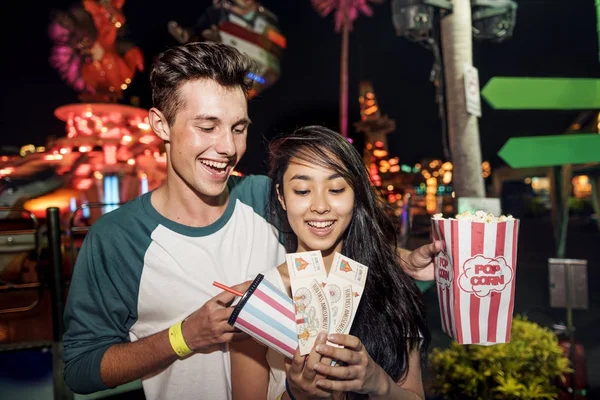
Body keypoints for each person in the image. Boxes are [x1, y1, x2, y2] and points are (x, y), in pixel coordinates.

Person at [62, 42, 439, 399]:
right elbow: (80, 369)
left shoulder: (261, 197)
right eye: (207, 127)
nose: (228, 147)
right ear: (161, 125)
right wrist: (184, 336)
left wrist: (400, 259)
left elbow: (332, 226)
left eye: (238, 128)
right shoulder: (117, 238)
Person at [230, 125, 430, 400]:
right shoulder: (261, 301)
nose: (320, 205)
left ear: (356, 194)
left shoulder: (392, 286)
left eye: (336, 189)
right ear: (281, 197)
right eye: (302, 190)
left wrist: (378, 383)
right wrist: (297, 395)